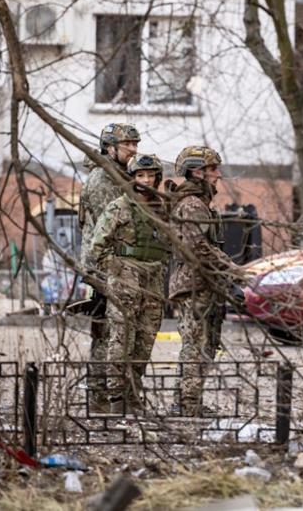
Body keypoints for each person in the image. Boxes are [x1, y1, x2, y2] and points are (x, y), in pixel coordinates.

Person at [90, 154, 170, 414]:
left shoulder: (162, 208)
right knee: (122, 337)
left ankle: (133, 395)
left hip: (153, 279)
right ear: (132, 178)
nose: (146, 180)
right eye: (140, 175)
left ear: (157, 178)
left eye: (150, 175)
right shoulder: (119, 207)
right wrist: (115, 271)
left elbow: (170, 242)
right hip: (125, 278)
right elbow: (97, 246)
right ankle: (117, 398)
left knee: (145, 340)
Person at [168, 146, 241, 416]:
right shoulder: (192, 205)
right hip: (194, 285)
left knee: (206, 343)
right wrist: (232, 268)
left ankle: (188, 402)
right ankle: (187, 405)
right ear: (197, 172)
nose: (218, 174)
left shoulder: (201, 203)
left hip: (205, 284)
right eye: (212, 169)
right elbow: (197, 247)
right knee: (195, 345)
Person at [78, 123, 140, 412]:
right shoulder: (102, 179)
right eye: (128, 145)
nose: (133, 150)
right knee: (106, 334)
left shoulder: (118, 175)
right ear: (110, 148)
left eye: (135, 144)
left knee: (113, 331)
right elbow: (113, 226)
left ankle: (109, 396)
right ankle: (99, 398)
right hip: (104, 267)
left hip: (115, 265)